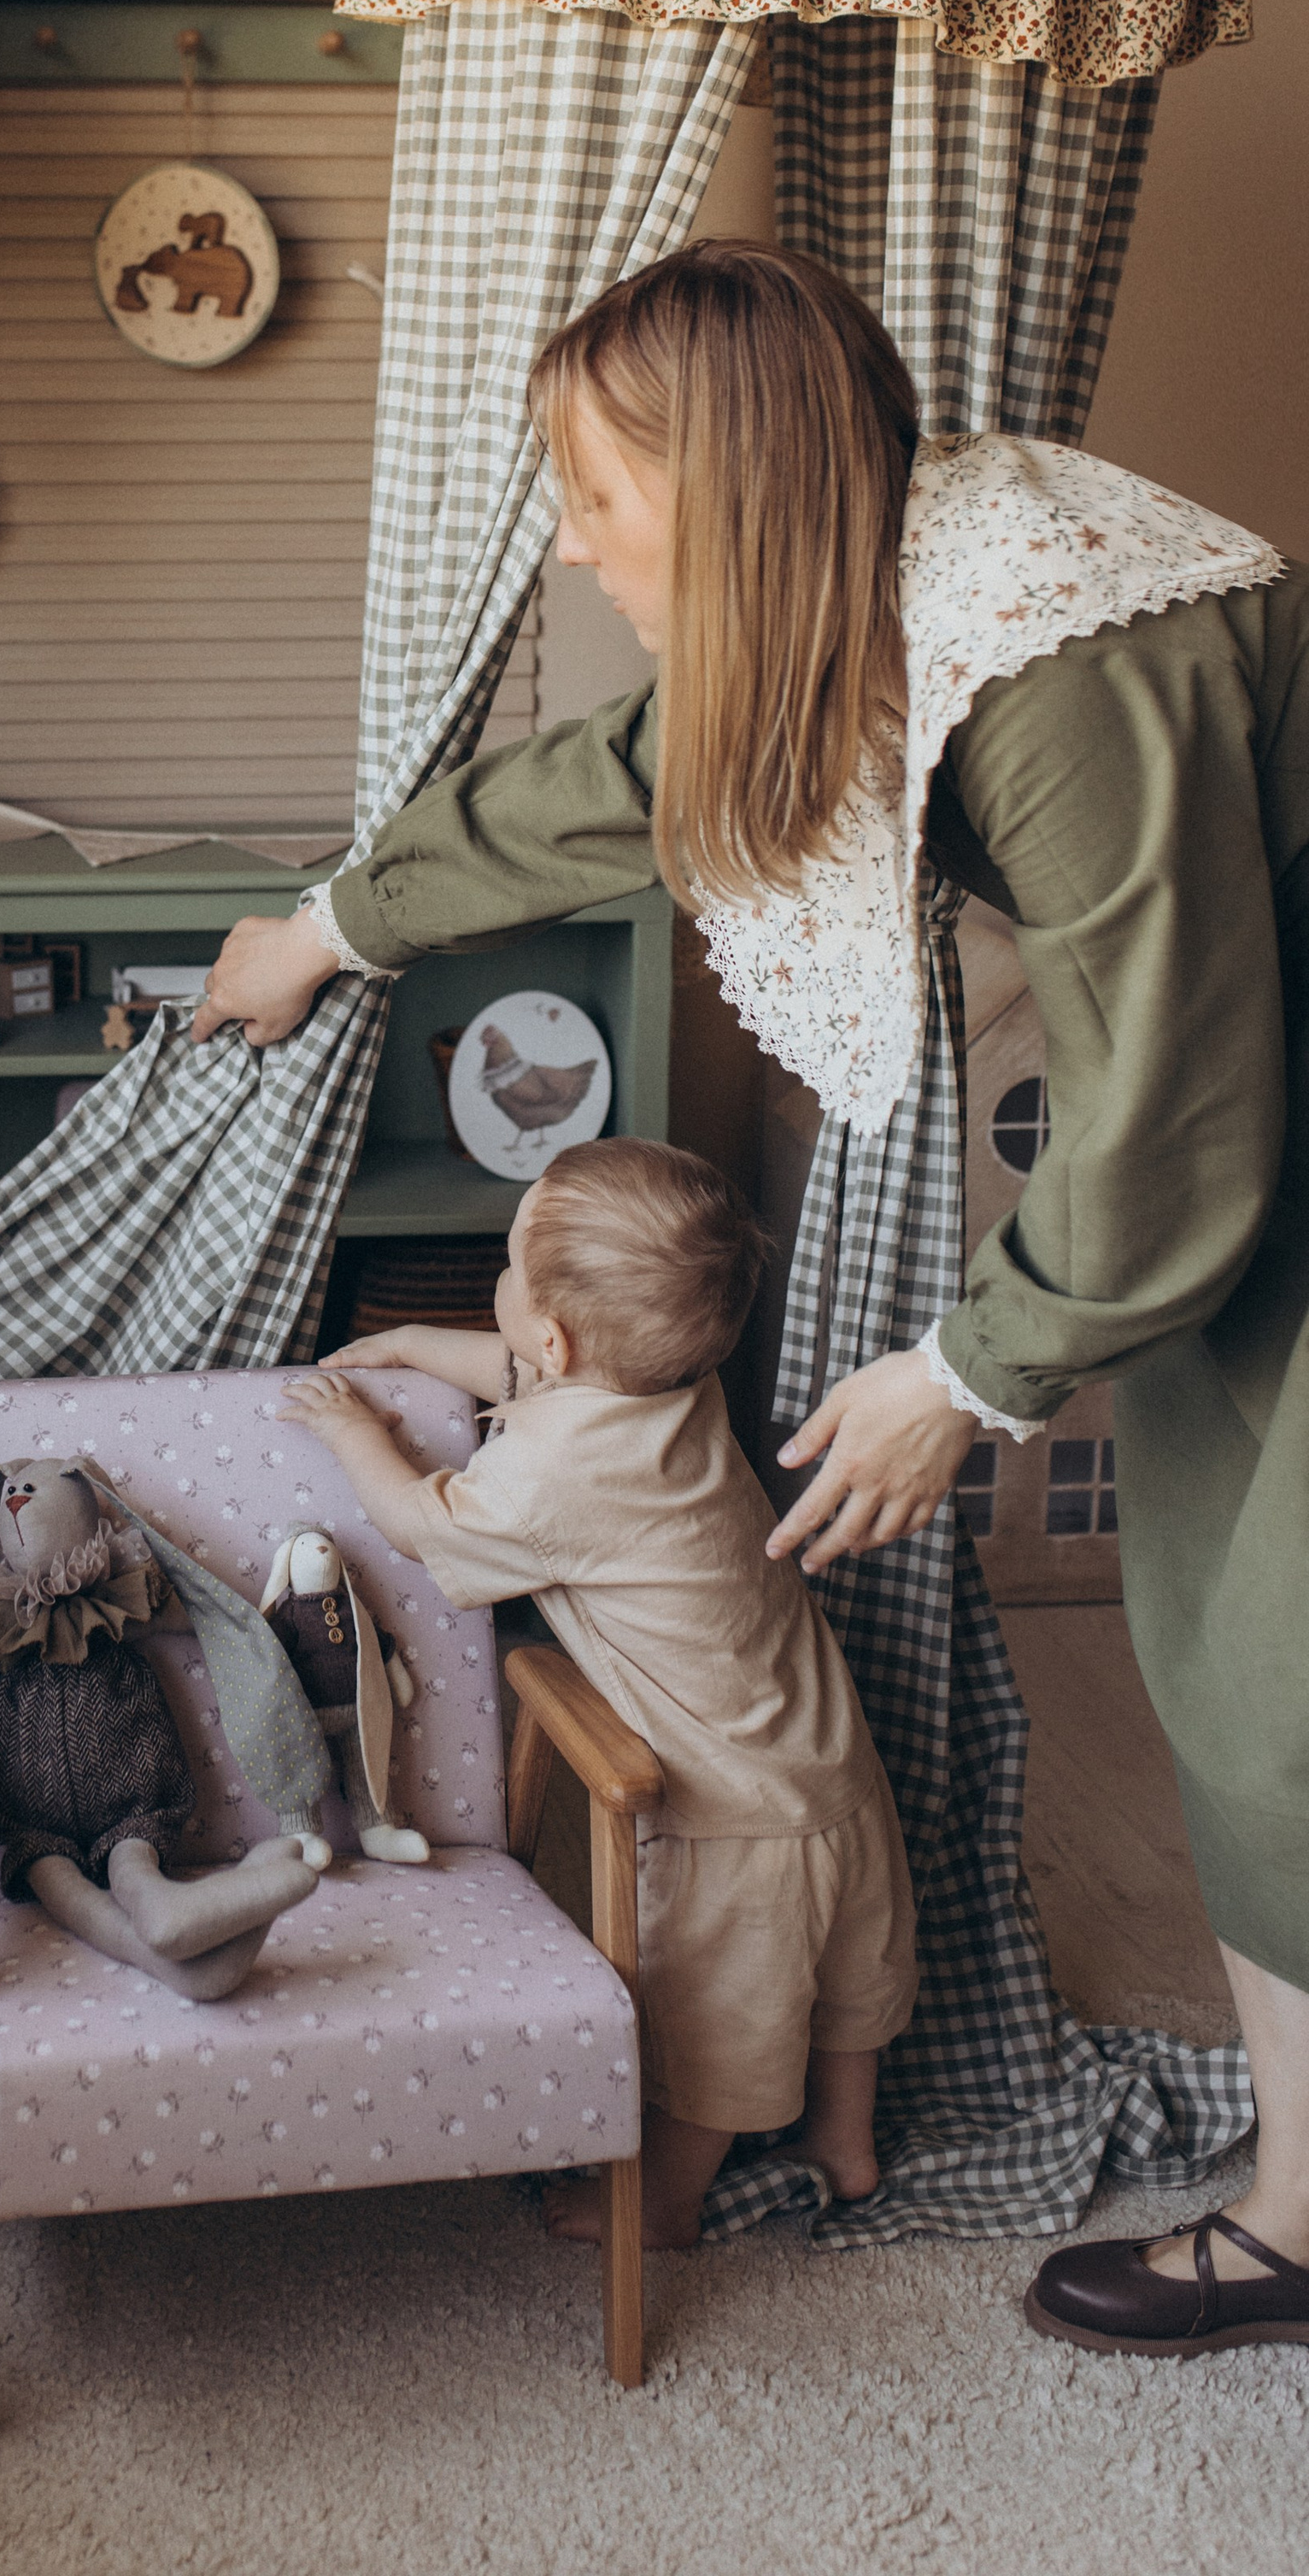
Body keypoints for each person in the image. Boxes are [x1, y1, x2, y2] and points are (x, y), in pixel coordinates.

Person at [196, 239, 1309, 2357]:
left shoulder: (1061, 659)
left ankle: (1287, 2223)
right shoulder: (873, 598)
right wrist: (327, 927)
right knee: (1213, 1640)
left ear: (729, 485)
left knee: (1272, 1678)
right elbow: (602, 782)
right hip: (1234, 1150)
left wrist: (961, 1376)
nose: (580, 538)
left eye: (598, 489)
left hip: (1242, 1132)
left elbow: (1174, 1113)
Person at [284, 1135, 917, 2249]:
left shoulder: (550, 1477)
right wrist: (410, 1347)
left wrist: (353, 1430)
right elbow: (527, 1371)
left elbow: (427, 1526)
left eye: (510, 1272)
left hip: (732, 1811)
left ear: (556, 1332)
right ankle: (844, 2141)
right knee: (846, 1975)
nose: (503, 1291)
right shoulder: (678, 1383)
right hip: (829, 1756)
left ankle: (665, 2202)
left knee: (711, 2018)